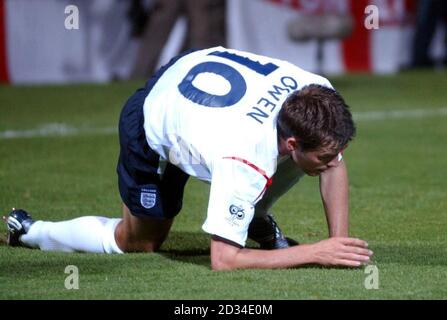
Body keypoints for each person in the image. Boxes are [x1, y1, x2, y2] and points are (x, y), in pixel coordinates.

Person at [4, 47, 373, 270]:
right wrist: (315, 252)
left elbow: (330, 158)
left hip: (198, 78)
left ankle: (254, 216)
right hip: (156, 118)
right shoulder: (243, 155)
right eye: (326, 156)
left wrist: (339, 245)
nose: (335, 160)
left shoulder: (317, 95)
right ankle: (31, 231)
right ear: (291, 142)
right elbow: (224, 261)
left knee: (310, 160)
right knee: (139, 241)